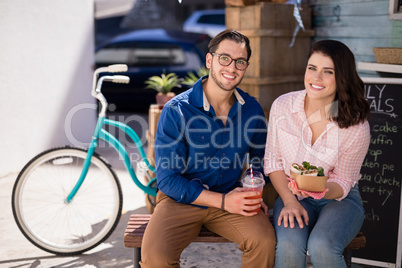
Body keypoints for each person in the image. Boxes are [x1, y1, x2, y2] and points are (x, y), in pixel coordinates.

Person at [140, 29, 276, 268]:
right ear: (209, 60)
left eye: (240, 62)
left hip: (231, 195)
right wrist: (222, 201)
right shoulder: (176, 110)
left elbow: (259, 160)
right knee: (155, 258)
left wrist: (252, 187)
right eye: (225, 58)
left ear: (246, 66)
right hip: (179, 200)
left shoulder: (252, 109)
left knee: (263, 242)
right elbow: (168, 180)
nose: (232, 67)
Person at [264, 40, 370, 268]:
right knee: (289, 246)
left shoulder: (356, 125)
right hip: (291, 194)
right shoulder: (282, 106)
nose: (316, 78)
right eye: (312, 68)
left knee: (322, 245)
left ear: (342, 77)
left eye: (328, 72)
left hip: (339, 199)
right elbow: (273, 161)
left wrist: (319, 189)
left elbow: (343, 181)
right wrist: (290, 201)